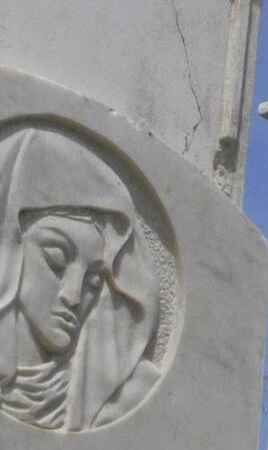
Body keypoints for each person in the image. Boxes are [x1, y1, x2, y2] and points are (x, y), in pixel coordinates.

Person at [0, 124, 160, 431]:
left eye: (93, 282)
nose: (72, 297)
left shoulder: (123, 400)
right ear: (10, 246)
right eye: (57, 260)